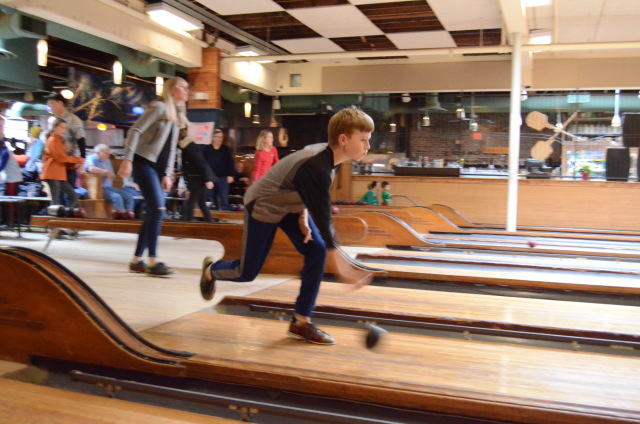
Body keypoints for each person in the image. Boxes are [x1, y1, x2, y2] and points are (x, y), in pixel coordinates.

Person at [199, 107, 375, 345]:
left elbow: (302, 186)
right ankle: (211, 270)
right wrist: (342, 269)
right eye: (363, 140)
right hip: (263, 205)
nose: (368, 146)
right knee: (246, 273)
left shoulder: (331, 160)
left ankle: (301, 322)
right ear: (343, 140)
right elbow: (324, 219)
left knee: (317, 250)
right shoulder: (317, 165)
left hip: (289, 206)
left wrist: (302, 213)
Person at [117, 77, 188, 277]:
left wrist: (167, 173)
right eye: (182, 87)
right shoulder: (159, 107)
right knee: (158, 210)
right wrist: (127, 159)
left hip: (157, 169)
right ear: (171, 90)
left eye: (187, 88)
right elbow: (135, 130)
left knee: (152, 213)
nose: (186, 91)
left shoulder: (176, 115)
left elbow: (172, 148)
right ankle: (153, 261)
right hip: (143, 163)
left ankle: (136, 260)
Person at [40, 119, 84, 208]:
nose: (64, 130)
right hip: (52, 174)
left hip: (59, 174)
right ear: (55, 128)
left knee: (73, 196)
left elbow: (62, 159)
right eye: (61, 127)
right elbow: (61, 158)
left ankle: (68, 213)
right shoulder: (53, 140)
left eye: (65, 128)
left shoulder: (59, 140)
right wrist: (78, 160)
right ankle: (63, 214)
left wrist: (73, 165)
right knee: (56, 201)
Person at [46, 93, 86, 188]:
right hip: (55, 163)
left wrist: (82, 159)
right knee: (56, 191)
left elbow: (81, 138)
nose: (50, 106)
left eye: (52, 103)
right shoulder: (54, 121)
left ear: (60, 103)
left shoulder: (73, 119)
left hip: (68, 162)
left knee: (68, 190)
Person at [85, 143, 135, 220]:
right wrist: (104, 172)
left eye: (109, 153)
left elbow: (112, 174)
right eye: (106, 153)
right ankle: (121, 220)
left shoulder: (107, 160)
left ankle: (129, 218)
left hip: (109, 187)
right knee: (117, 197)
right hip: (98, 189)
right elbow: (90, 168)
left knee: (129, 196)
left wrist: (111, 175)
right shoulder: (90, 158)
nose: (108, 156)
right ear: (98, 153)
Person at [178, 130, 215, 222]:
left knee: (190, 203)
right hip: (196, 179)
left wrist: (208, 179)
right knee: (201, 202)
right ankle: (209, 222)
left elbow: (201, 163)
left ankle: (187, 224)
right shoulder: (186, 147)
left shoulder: (190, 148)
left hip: (197, 180)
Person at [204, 129, 243, 211]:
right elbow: (204, 165)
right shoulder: (207, 149)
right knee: (211, 199)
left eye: (221, 137)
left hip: (223, 178)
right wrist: (206, 179)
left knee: (224, 199)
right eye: (218, 137)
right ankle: (213, 217)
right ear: (213, 138)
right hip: (211, 179)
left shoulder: (225, 149)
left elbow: (230, 163)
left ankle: (225, 216)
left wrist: (230, 175)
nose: (220, 139)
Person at [0, 118, 24, 196]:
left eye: (2, 126)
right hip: (9, 178)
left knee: (10, 201)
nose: (2, 129)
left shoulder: (3, 146)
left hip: (12, 179)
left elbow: (3, 160)